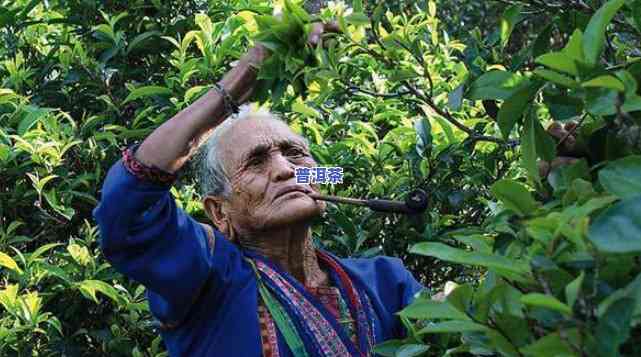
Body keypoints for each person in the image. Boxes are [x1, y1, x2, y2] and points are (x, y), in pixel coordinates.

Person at [93, 23, 424, 357]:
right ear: (219, 212)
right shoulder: (207, 277)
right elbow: (126, 212)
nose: (284, 170)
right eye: (255, 163)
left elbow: (460, 331)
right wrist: (238, 82)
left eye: (295, 154)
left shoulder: (387, 283)